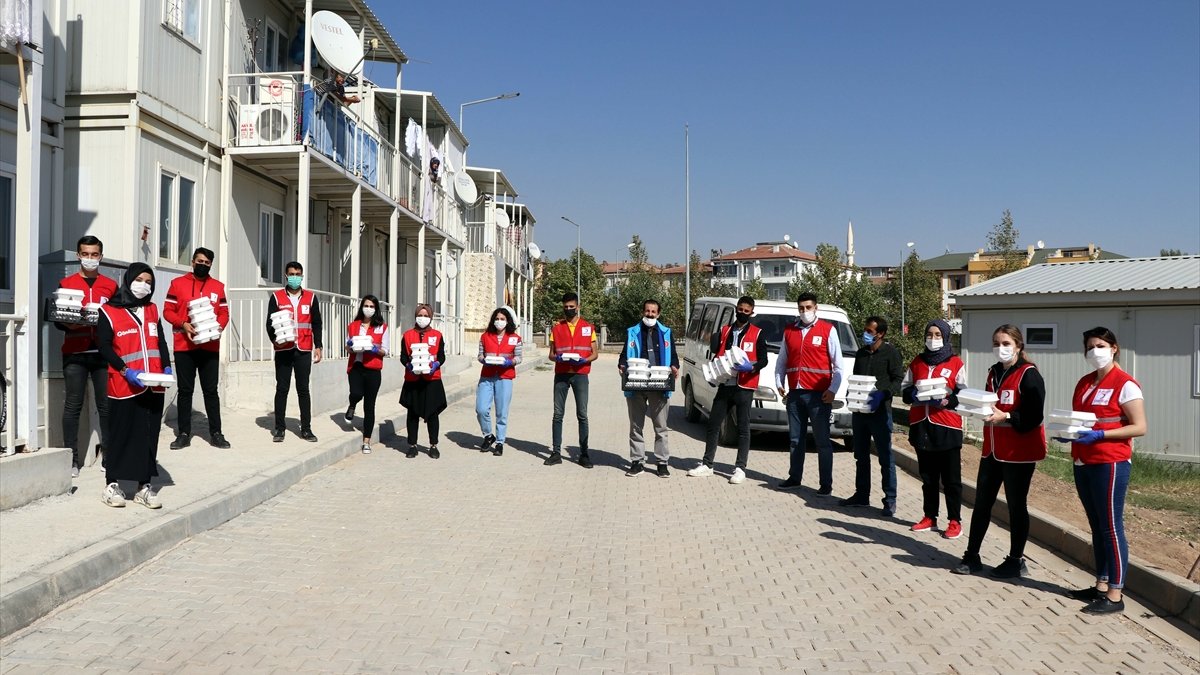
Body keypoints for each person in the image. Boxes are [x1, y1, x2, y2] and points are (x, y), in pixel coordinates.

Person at [1058, 327, 1146, 615]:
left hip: (1110, 461)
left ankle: (1116, 594)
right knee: (1097, 527)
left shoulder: (1125, 383)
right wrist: (1069, 433)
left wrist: (1101, 435)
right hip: (1083, 460)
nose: (1094, 351)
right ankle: (1100, 585)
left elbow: (1139, 426)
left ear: (1114, 348)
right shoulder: (1085, 382)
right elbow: (1083, 419)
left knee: (1111, 526)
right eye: (1089, 347)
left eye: (1100, 345)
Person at [953, 324, 1046, 578]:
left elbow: (1034, 415)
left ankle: (1016, 560)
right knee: (981, 503)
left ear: (1018, 346)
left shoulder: (1029, 374)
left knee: (1016, 506)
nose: (1000, 348)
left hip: (1018, 453)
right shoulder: (993, 373)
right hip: (992, 450)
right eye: (996, 343)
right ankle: (972, 555)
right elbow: (988, 403)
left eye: (1006, 343)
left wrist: (1005, 416)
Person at [96, 263, 171, 509]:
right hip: (124, 384)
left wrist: (167, 367)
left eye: (149, 281)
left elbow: (160, 341)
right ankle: (112, 484)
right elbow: (104, 347)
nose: (144, 285)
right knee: (121, 434)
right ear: (128, 280)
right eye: (139, 279)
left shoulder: (152, 309)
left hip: (153, 383)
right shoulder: (108, 311)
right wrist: (126, 370)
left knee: (149, 436)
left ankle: (144, 487)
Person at [55, 235, 118, 478]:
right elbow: (58, 317)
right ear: (78, 255)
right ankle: (71, 458)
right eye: (85, 254)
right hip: (75, 352)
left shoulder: (110, 285)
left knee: (106, 405)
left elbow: (116, 317)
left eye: (94, 254)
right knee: (73, 405)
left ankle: (110, 456)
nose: (89, 258)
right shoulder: (66, 282)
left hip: (103, 354)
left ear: (100, 256)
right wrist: (66, 325)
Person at [687, 296, 768, 484]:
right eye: (740, 309)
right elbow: (717, 352)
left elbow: (764, 360)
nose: (742, 313)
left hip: (744, 387)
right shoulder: (725, 331)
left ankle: (740, 468)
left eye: (747, 311)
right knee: (713, 424)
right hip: (725, 385)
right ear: (736, 309)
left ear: (751, 312)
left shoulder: (758, 333)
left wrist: (752, 367)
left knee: (743, 428)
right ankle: (707, 464)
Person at [901, 319, 967, 539]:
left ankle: (955, 521)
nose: (933, 338)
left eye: (938, 334)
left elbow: (963, 395)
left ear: (946, 337)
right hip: (922, 426)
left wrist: (949, 401)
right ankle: (930, 516)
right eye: (929, 334)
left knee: (951, 480)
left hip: (946, 426)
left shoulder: (956, 363)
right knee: (928, 478)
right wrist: (912, 394)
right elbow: (905, 389)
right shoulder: (917, 362)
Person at [774, 293, 844, 494]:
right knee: (796, 439)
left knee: (822, 441)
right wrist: (779, 383)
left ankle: (825, 484)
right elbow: (781, 361)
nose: (805, 311)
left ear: (816, 308)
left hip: (819, 396)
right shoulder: (789, 331)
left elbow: (838, 366)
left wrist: (832, 390)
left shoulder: (827, 330)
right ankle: (794, 477)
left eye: (808, 307)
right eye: (801, 308)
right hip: (795, 394)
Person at [163, 247, 230, 450]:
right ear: (192, 262)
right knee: (185, 391)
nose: (202, 265)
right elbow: (167, 310)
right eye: (199, 261)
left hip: (210, 347)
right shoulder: (177, 284)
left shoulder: (218, 287)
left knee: (211, 391)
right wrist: (183, 323)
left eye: (207, 263)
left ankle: (216, 433)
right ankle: (184, 433)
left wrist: (218, 327)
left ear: (211, 264)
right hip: (184, 346)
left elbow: (224, 313)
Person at [840, 315, 904, 515]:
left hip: (880, 412)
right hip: (860, 413)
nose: (865, 334)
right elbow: (856, 379)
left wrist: (883, 394)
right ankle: (862, 495)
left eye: (870, 331)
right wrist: (851, 395)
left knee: (885, 457)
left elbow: (898, 379)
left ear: (881, 334)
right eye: (865, 330)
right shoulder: (860, 354)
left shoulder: (891, 353)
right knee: (861, 455)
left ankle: (890, 499)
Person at [618, 299, 679, 478]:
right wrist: (621, 365)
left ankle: (662, 463)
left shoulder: (666, 333)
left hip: (659, 384)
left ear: (658, 314)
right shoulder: (632, 332)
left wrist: (674, 367)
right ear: (643, 312)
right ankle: (637, 461)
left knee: (661, 427)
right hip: (636, 383)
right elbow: (623, 355)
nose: (650, 315)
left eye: (653, 312)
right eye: (647, 311)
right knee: (636, 425)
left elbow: (673, 356)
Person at [266, 262, 323, 442]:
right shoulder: (276, 297)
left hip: (304, 349)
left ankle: (306, 429)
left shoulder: (311, 298)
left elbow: (316, 323)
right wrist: (274, 339)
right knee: (282, 389)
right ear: (286, 275)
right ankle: (279, 428)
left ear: (302, 275)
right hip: (283, 349)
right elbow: (270, 324)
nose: (295, 277)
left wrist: (319, 346)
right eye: (291, 274)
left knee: (303, 390)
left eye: (298, 274)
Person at [545, 292, 598, 469]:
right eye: (566, 307)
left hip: (580, 374)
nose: (569, 310)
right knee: (557, 414)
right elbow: (551, 354)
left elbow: (595, 353)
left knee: (582, 414)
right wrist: (558, 358)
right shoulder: (557, 328)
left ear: (578, 307)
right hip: (561, 374)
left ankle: (584, 454)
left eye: (572, 307)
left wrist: (585, 360)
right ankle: (556, 452)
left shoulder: (588, 327)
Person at [398, 304, 447, 459]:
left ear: (431, 317)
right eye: (420, 315)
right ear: (415, 316)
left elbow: (441, 356)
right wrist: (408, 365)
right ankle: (412, 445)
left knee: (432, 414)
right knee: (412, 414)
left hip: (432, 379)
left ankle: (433, 445)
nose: (423, 318)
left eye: (426, 316)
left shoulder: (437, 335)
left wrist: (436, 365)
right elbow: (403, 357)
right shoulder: (407, 335)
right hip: (413, 380)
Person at [344, 295, 389, 455]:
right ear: (362, 307)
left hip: (373, 369)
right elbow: (348, 346)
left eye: (372, 306)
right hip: (356, 366)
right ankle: (352, 404)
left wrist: (375, 349)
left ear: (376, 309)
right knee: (356, 393)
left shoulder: (382, 327)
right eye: (366, 305)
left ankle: (366, 441)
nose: (368, 308)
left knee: (369, 406)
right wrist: (349, 346)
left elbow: (386, 350)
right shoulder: (353, 325)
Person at [476, 307, 522, 456]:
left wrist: (509, 362)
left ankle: (500, 442)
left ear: (507, 321)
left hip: (505, 377)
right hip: (487, 376)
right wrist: (485, 360)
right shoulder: (485, 336)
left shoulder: (515, 338)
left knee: (502, 412)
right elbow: (480, 355)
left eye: (502, 319)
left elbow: (519, 357)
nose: (499, 322)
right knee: (481, 409)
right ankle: (488, 435)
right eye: (497, 319)